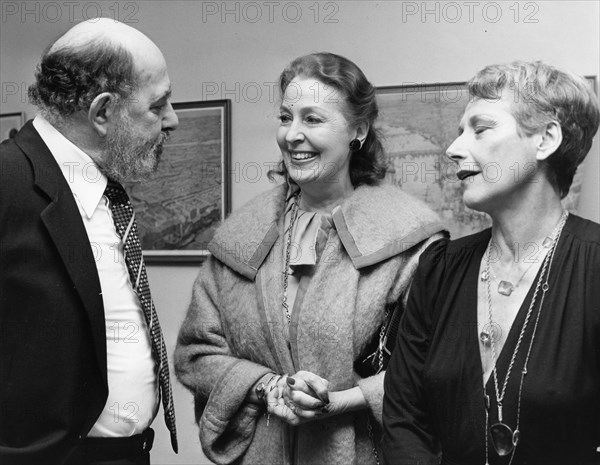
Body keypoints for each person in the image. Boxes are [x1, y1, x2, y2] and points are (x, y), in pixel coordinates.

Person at [174, 52, 446, 465]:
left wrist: (341, 400)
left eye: (312, 119)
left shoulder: (411, 239)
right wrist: (266, 386)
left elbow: (433, 370)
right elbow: (195, 353)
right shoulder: (240, 236)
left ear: (358, 130)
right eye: (286, 118)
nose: (292, 135)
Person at [382, 61, 600, 465]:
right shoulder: (441, 268)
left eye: (480, 129)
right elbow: (404, 418)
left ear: (545, 139)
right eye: (459, 131)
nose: (454, 148)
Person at [0, 18, 179, 465]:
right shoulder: (6, 183)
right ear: (102, 113)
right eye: (158, 106)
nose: (172, 120)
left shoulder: (104, 187)